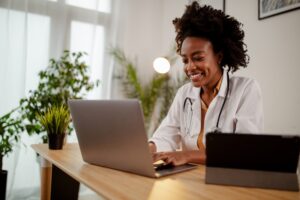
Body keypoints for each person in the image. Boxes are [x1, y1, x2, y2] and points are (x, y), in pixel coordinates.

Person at [149, 1, 264, 166]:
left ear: (219, 56)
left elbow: (243, 150)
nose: (190, 67)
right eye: (185, 60)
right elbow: (166, 135)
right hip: (191, 178)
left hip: (227, 181)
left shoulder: (246, 89)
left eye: (198, 58)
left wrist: (186, 155)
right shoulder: (184, 93)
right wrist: (149, 149)